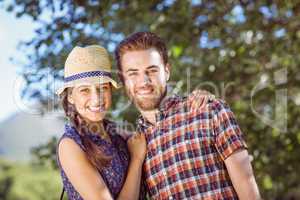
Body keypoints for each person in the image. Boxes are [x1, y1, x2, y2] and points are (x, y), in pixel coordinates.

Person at [115, 32, 261, 200]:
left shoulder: (208, 111)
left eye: (152, 70)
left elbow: (248, 189)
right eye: (133, 73)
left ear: (167, 71)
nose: (144, 81)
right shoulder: (133, 146)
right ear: (122, 79)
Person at [56, 45, 146, 200]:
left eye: (102, 88)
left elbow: (158, 132)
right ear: (70, 96)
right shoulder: (70, 145)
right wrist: (136, 161)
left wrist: (194, 102)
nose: (97, 98)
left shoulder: (118, 135)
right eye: (85, 90)